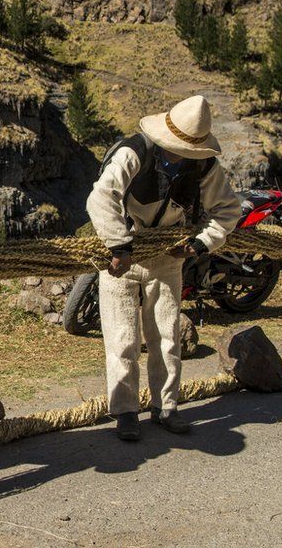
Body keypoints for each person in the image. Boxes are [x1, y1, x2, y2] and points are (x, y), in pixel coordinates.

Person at [87, 95, 241, 441]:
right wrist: (118, 245)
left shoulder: (203, 166)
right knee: (122, 339)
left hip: (169, 258)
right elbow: (101, 197)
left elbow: (228, 210)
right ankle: (126, 411)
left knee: (167, 337)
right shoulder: (134, 152)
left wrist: (203, 243)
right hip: (120, 260)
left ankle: (166, 406)